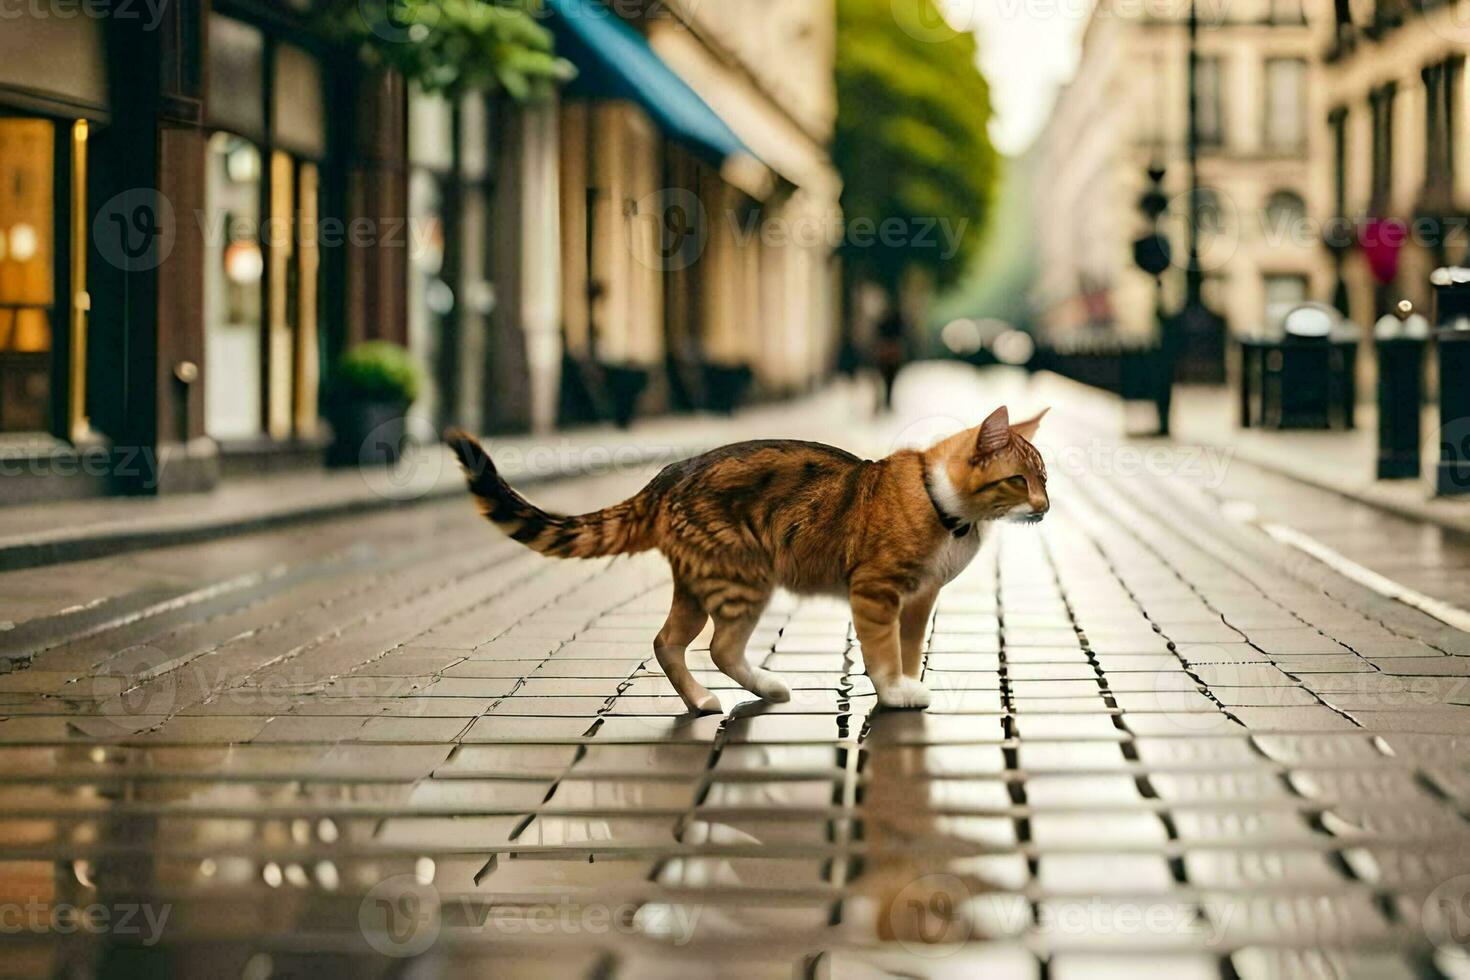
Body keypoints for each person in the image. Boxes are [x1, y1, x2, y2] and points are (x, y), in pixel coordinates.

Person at [872, 310, 910, 413]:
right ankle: (886, 402)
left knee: (885, 380)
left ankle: (884, 403)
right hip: (890, 354)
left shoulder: (883, 323)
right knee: (889, 380)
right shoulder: (896, 323)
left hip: (887, 354)